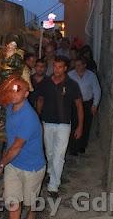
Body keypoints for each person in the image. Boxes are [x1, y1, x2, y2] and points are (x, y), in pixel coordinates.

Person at [0, 76, 46, 219]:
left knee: (30, 205)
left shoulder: (29, 117)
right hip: (13, 164)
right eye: (12, 90)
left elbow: (16, 147)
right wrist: (5, 84)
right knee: (13, 203)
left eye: (18, 90)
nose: (14, 93)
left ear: (26, 94)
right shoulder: (10, 107)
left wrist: (1, 164)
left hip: (31, 167)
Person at [37, 56, 84, 197]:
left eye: (59, 67)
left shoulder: (72, 84)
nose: (56, 69)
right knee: (49, 152)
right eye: (55, 66)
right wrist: (39, 119)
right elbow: (40, 100)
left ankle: (53, 185)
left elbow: (79, 105)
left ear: (65, 68)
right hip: (47, 122)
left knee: (59, 155)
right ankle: (52, 172)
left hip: (64, 124)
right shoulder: (45, 83)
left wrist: (80, 126)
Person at [68, 57, 101, 154]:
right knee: (74, 124)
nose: (76, 67)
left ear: (84, 65)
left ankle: (82, 145)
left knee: (86, 125)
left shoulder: (91, 76)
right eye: (76, 65)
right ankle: (73, 147)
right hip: (73, 104)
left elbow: (97, 90)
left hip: (87, 103)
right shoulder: (70, 75)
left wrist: (95, 105)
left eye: (79, 65)